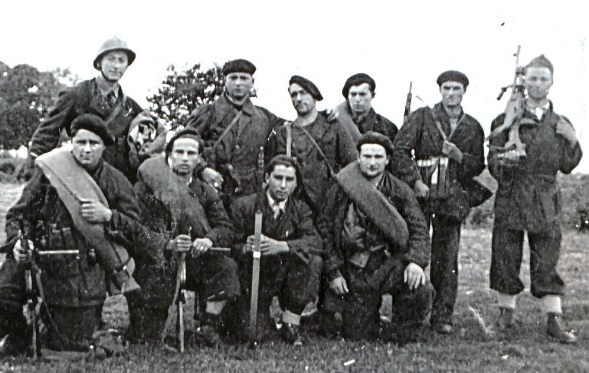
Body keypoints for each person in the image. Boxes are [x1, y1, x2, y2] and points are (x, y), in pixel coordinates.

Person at [0, 114, 141, 358]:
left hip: (85, 266)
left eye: (94, 143)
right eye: (80, 142)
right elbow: (18, 214)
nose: (86, 149)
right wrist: (18, 243)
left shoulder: (116, 181)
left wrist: (108, 215)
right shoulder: (50, 171)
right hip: (38, 255)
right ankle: (17, 336)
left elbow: (135, 228)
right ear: (71, 143)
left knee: (67, 341)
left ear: (104, 147)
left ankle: (78, 326)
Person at [487, 55, 581, 344]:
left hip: (545, 199)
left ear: (551, 83)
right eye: (532, 78)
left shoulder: (560, 123)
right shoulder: (505, 120)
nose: (537, 84)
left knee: (546, 259)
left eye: (543, 79)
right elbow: (493, 161)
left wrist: (573, 140)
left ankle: (553, 319)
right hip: (512, 195)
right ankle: (505, 315)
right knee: (505, 255)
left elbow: (568, 164)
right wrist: (506, 162)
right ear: (523, 81)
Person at [390, 70, 488, 335]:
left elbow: (478, 165)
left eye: (456, 88)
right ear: (440, 90)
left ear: (464, 91)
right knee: (413, 248)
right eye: (446, 88)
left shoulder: (472, 126)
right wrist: (415, 182)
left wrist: (458, 156)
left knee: (447, 258)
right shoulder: (422, 117)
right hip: (421, 195)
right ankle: (408, 311)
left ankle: (442, 316)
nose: (451, 93)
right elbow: (400, 151)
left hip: (452, 197)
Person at [127, 128, 240, 346]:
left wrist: (208, 240)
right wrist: (167, 243)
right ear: (168, 155)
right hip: (160, 259)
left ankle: (208, 326)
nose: (185, 158)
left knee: (226, 267)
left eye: (191, 153)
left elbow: (225, 227)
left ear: (199, 159)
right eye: (179, 152)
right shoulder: (146, 188)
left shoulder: (206, 191)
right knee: (147, 336)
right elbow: (136, 228)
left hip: (196, 259)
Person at [317, 132, 434, 342]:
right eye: (367, 156)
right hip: (354, 268)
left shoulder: (400, 190)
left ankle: (405, 328)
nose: (372, 163)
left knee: (420, 287)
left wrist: (416, 262)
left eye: (378, 157)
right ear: (358, 158)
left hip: (388, 264)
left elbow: (419, 229)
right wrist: (334, 272)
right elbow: (324, 229)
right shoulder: (342, 186)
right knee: (357, 334)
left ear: (387, 160)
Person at [225, 155, 323, 345]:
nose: (283, 185)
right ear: (267, 178)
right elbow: (229, 244)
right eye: (278, 178)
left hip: (286, 275)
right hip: (254, 278)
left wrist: (282, 246)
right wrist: (245, 247)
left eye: (289, 179)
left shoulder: (300, 209)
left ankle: (291, 320)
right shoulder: (244, 205)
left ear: (296, 183)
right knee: (252, 334)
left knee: (314, 261)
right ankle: (259, 316)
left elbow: (314, 242)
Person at [27, 37, 145, 183]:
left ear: (127, 66)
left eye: (121, 60)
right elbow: (46, 134)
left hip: (115, 182)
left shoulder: (132, 107)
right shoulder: (76, 95)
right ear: (99, 63)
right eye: (111, 59)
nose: (116, 66)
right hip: (80, 178)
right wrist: (34, 175)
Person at [186, 59, 282, 204]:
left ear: (252, 82)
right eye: (233, 78)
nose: (238, 83)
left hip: (248, 197)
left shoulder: (264, 117)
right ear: (225, 81)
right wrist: (202, 169)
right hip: (210, 191)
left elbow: (292, 129)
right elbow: (184, 142)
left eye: (243, 78)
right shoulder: (208, 113)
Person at [266, 75, 356, 209]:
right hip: (298, 206)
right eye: (294, 95)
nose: (298, 99)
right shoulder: (284, 133)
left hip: (331, 204)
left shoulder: (333, 126)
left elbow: (352, 163)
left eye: (303, 93)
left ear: (314, 94)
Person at [334, 73, 399, 143]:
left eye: (362, 94)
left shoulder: (388, 127)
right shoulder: (336, 123)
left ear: (372, 95)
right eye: (353, 94)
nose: (357, 99)